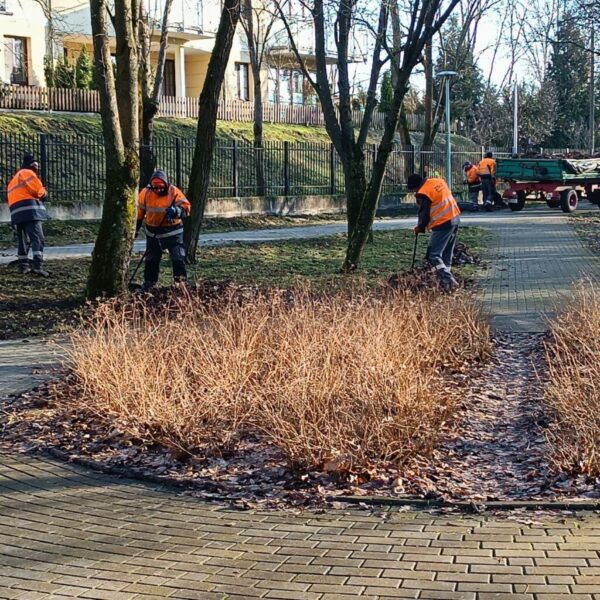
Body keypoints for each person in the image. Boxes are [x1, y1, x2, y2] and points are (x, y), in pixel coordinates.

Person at [136, 170, 191, 291]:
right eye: (156, 188)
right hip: (153, 233)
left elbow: (187, 208)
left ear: (166, 185)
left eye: (161, 187)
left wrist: (177, 211)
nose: (158, 190)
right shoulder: (145, 193)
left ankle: (181, 283)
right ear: (151, 186)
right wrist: (136, 228)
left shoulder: (174, 191)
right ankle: (149, 283)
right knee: (151, 259)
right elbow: (139, 213)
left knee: (178, 257)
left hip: (173, 232)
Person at [408, 173, 461, 292]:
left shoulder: (423, 193)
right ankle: (446, 284)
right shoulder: (438, 181)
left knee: (433, 255)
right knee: (446, 253)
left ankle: (449, 281)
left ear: (415, 186)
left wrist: (419, 227)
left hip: (442, 223)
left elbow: (424, 214)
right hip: (455, 218)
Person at [7, 154, 49, 276]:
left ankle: (23, 266)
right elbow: (37, 191)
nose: (37, 167)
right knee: (38, 238)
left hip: (16, 213)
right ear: (32, 165)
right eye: (35, 165)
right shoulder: (28, 173)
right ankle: (38, 266)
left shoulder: (13, 179)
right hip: (30, 211)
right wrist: (44, 193)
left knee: (23, 240)